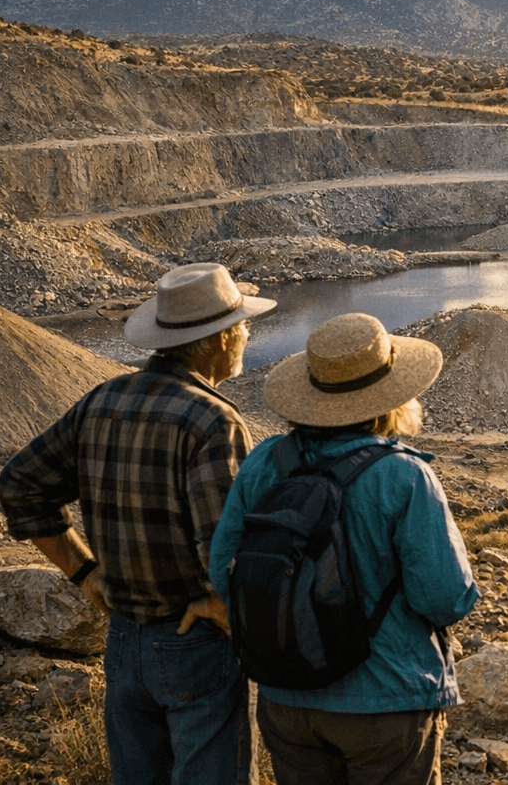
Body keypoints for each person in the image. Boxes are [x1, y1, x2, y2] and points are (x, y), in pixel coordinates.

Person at [0, 263, 276, 785]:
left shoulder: (103, 399)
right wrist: (224, 603)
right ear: (219, 340)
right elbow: (224, 547)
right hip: (194, 642)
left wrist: (85, 573)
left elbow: (20, 485)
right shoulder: (213, 421)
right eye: (242, 326)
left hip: (125, 640)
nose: (246, 334)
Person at [210, 313, 478, 785]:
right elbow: (443, 597)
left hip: (286, 697)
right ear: (391, 397)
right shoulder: (405, 475)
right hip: (388, 700)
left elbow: (222, 572)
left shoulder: (263, 463)